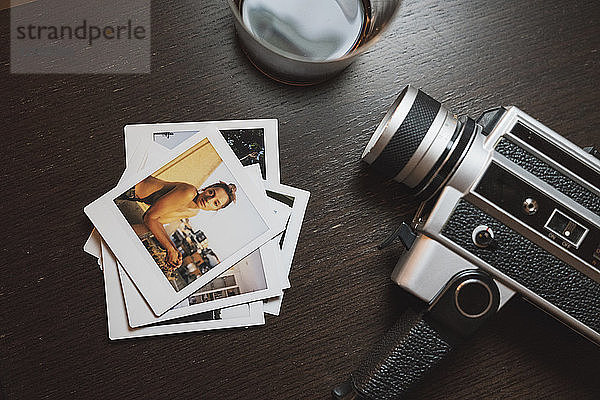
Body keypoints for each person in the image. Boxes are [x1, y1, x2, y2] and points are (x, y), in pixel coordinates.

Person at [117, 176, 236, 269]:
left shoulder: (194, 212)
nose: (209, 199)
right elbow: (149, 218)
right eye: (211, 193)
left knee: (147, 233)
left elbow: (156, 224)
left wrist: (175, 252)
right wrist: (170, 249)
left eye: (215, 203)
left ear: (216, 209)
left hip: (130, 195)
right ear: (206, 189)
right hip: (128, 186)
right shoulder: (189, 192)